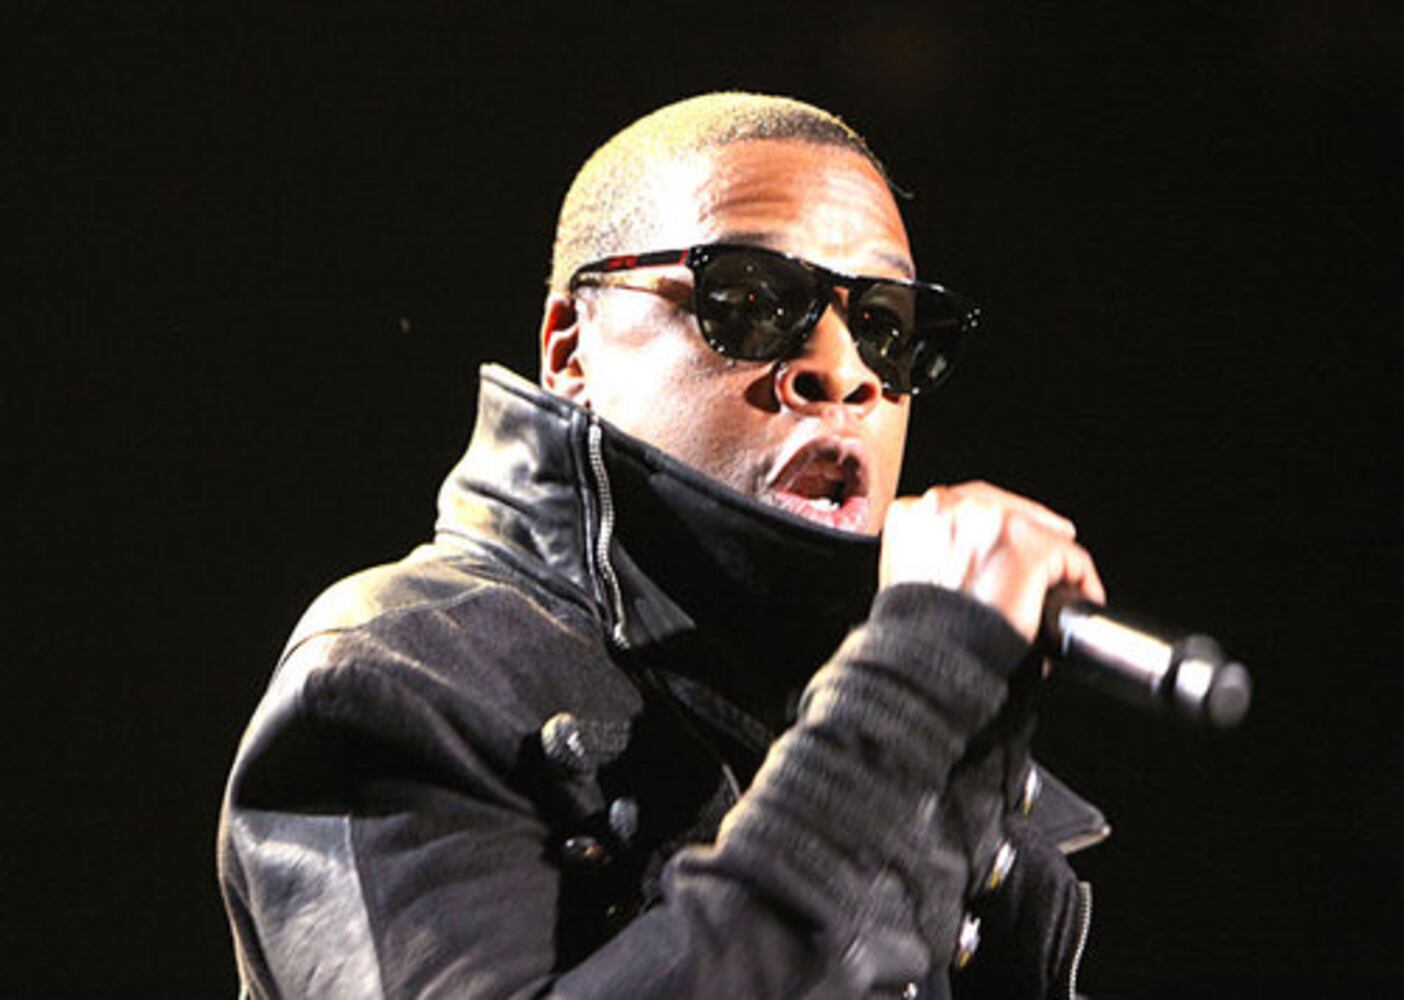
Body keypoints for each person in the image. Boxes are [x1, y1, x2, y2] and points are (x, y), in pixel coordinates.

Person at [218, 92, 1111, 998]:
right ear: (571, 350)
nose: (844, 372)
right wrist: (907, 702)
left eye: (883, 326)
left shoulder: (893, 706)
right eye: (749, 301)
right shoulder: (403, 668)